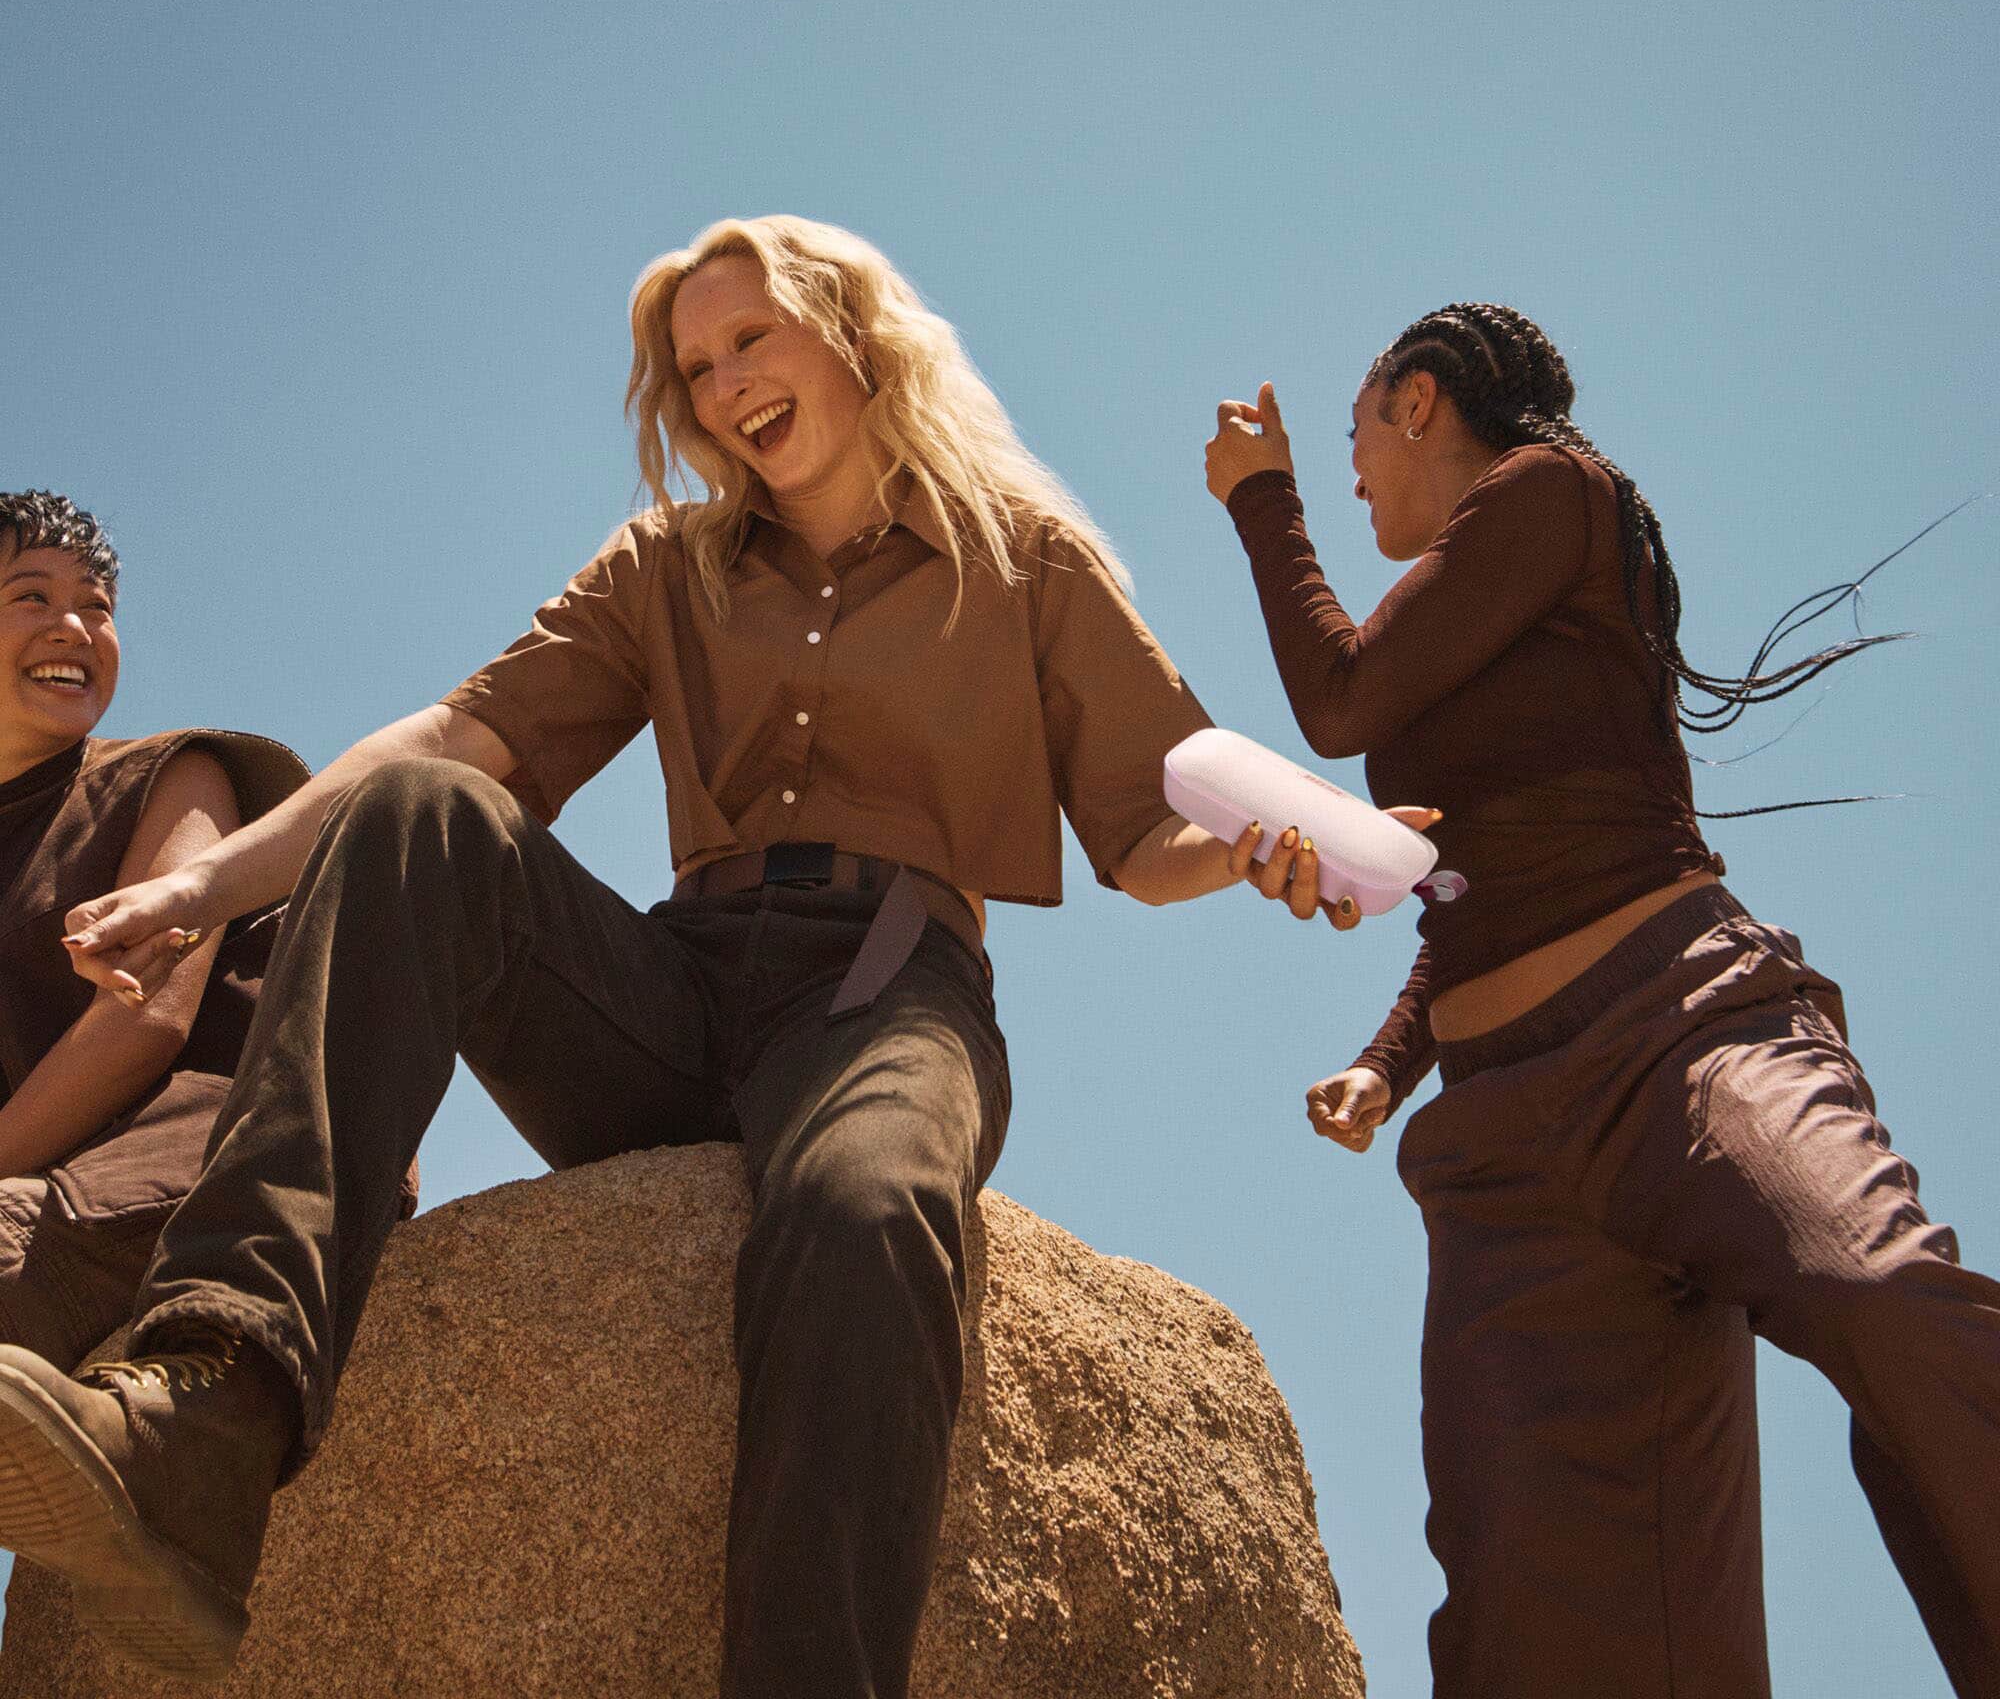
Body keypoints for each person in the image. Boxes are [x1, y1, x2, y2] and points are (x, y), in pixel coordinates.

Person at [0, 219, 1398, 1696]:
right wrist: (202, 884)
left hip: (887, 993)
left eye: (751, 339)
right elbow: (463, 736)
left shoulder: (1023, 559)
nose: (724, 385)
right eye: (695, 368)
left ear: (852, 332)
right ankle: (205, 1418)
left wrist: (1256, 853)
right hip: (674, 989)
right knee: (421, 810)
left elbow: (1145, 831)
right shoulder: (665, 564)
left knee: (864, 1209)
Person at [1203, 304, 2000, 1699]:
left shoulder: (1551, 491)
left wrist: (1262, 500)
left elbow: (1338, 700)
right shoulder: (1465, 625)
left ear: (1418, 402)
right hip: (1503, 1147)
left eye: (1353, 435)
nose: (1349, 475)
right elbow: (1478, 886)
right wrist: (1388, 1060)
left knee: (1880, 1296)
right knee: (1535, 1610)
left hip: (1684, 1034)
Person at [0, 492, 317, 1377]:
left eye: (96, 606)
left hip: (204, 1153)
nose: (74, 627)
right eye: (32, 596)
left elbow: (144, 1021)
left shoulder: (177, 776)